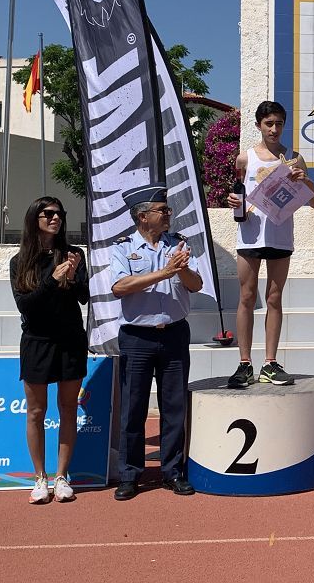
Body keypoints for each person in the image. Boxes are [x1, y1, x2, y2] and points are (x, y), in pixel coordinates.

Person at [110, 184, 203, 500]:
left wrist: (183, 269)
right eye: (162, 210)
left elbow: (196, 284)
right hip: (137, 336)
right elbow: (120, 286)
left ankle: (172, 471)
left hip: (174, 333)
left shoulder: (178, 244)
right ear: (142, 216)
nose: (168, 214)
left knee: (174, 406)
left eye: (167, 209)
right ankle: (129, 475)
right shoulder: (123, 248)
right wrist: (165, 273)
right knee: (133, 407)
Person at [226, 101, 314, 388]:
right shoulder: (245, 159)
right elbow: (237, 195)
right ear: (258, 125)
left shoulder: (293, 159)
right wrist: (233, 202)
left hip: (280, 236)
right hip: (250, 236)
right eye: (269, 123)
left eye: (279, 123)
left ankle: (270, 362)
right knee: (246, 296)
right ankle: (244, 363)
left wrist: (307, 181)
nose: (274, 129)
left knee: (275, 298)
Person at [10, 197, 89, 504]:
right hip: (37, 342)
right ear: (35, 219)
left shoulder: (72, 255)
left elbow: (84, 297)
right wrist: (51, 280)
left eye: (59, 214)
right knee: (36, 411)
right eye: (48, 214)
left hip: (70, 341)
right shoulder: (20, 261)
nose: (55, 218)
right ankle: (39, 477)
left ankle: (61, 476)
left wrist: (72, 277)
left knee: (68, 408)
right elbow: (25, 306)